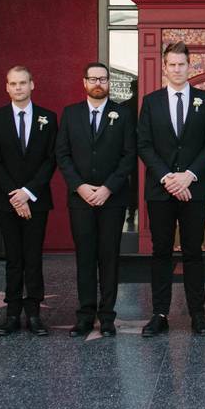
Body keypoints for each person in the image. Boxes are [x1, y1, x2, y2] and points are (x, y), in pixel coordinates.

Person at [136, 42, 205, 337]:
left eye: (181, 64)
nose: (177, 69)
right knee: (161, 252)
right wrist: (169, 178)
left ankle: (198, 314)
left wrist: (189, 176)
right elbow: (144, 144)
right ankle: (160, 313)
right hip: (161, 191)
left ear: (189, 66)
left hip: (193, 190)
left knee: (193, 252)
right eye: (171, 64)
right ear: (164, 67)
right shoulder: (151, 101)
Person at [56, 62, 136, 338]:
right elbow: (62, 154)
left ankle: (108, 316)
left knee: (109, 257)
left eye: (103, 79)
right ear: (84, 82)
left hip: (111, 199)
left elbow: (129, 156)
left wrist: (107, 188)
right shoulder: (70, 114)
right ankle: (85, 315)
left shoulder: (123, 114)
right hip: (81, 199)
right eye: (93, 79)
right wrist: (79, 186)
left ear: (108, 82)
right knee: (85, 257)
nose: (98, 83)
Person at [0, 66, 57, 336]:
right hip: (7, 201)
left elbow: (51, 160)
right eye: (13, 83)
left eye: (23, 83)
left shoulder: (48, 118)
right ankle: (12, 312)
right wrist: (16, 195)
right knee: (13, 258)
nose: (18, 88)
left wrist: (28, 193)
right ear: (7, 87)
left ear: (32, 85)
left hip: (37, 200)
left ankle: (34, 313)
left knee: (34, 256)